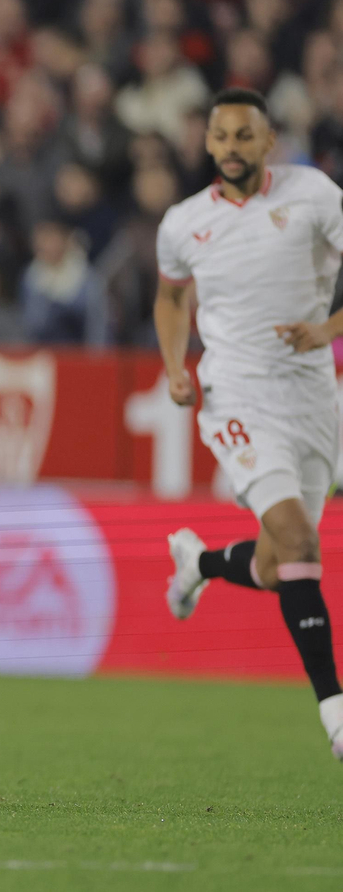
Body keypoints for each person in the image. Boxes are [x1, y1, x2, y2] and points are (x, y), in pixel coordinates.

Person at [155, 88, 343, 761]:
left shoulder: (314, 195)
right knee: (298, 541)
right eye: (221, 136)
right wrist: (176, 366)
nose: (231, 148)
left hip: (314, 401)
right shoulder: (183, 222)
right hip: (235, 396)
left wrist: (326, 328)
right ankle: (335, 709)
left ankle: (198, 562)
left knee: (277, 562)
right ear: (207, 143)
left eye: (245, 137)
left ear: (269, 142)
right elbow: (172, 298)